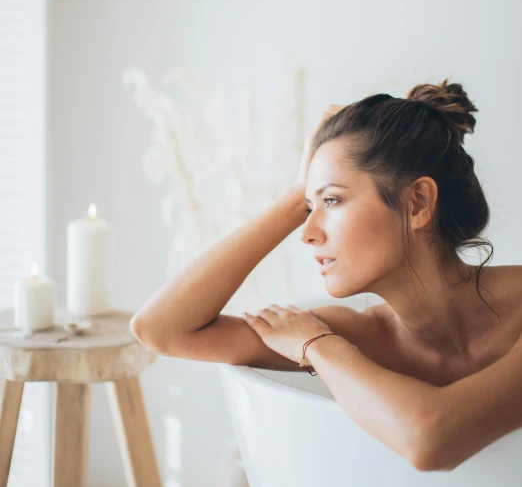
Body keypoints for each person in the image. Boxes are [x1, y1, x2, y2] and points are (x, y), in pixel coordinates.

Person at [130, 77, 522, 389]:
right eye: (307, 208)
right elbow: (160, 330)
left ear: (417, 203)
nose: (308, 233)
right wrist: (295, 199)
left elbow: (432, 440)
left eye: (332, 201)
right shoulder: (353, 338)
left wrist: (320, 348)